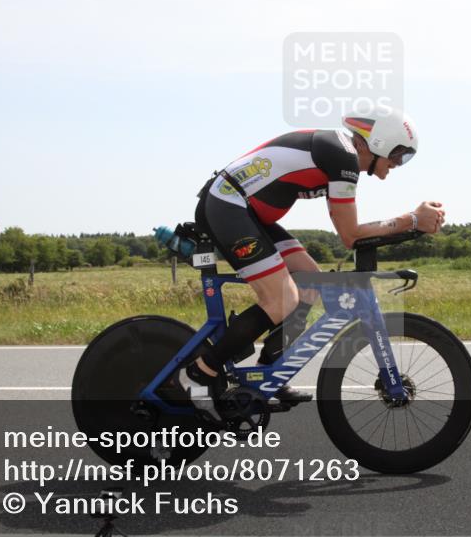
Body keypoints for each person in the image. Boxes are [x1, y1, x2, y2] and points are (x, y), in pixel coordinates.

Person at [178, 109, 445, 421]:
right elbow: (350, 234)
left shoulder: (341, 155)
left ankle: (269, 375)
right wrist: (413, 219)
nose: (395, 166)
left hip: (246, 212)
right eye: (398, 157)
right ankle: (199, 372)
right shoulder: (342, 156)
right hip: (230, 207)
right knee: (281, 300)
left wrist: (410, 223)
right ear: (381, 143)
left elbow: (352, 231)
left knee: (309, 285)